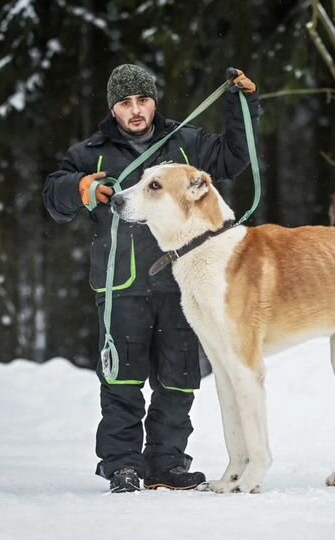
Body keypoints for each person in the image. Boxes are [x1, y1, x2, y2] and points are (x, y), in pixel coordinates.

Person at [43, 64, 258, 493]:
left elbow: (235, 157)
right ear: (113, 108)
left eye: (142, 100)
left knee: (179, 378)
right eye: (125, 103)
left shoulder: (185, 144)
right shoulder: (92, 152)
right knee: (122, 381)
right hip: (120, 286)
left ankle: (168, 463)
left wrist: (242, 103)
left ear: (154, 101)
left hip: (182, 287)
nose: (135, 110)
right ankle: (122, 464)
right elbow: (54, 196)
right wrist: (79, 189)